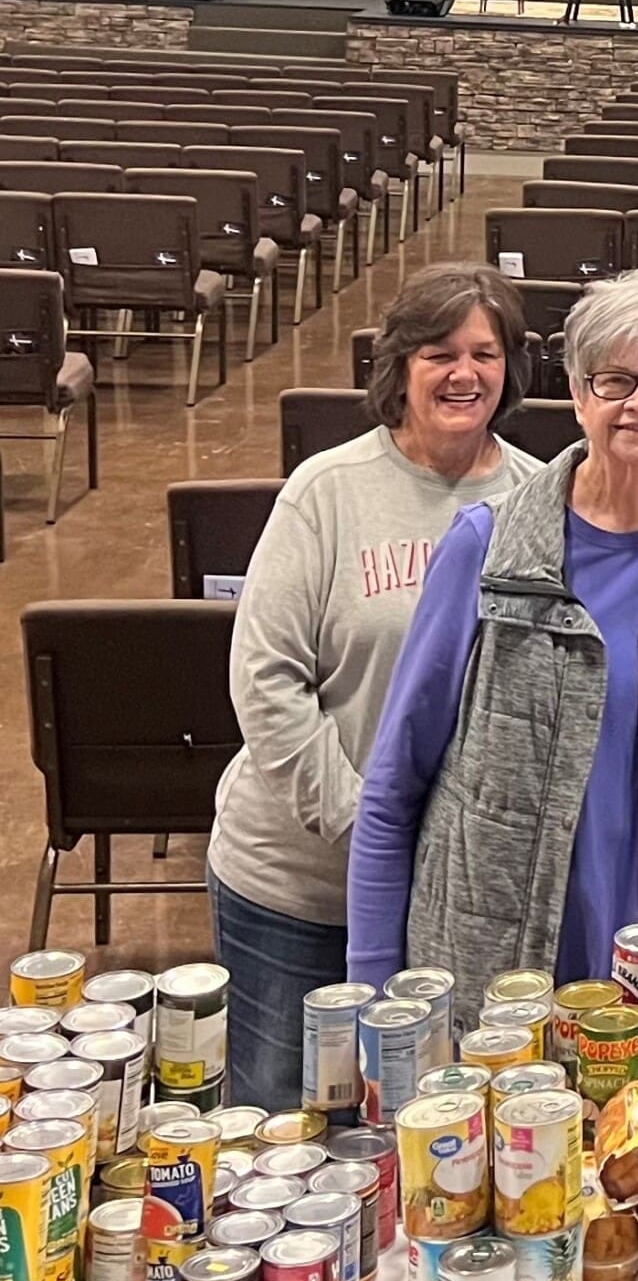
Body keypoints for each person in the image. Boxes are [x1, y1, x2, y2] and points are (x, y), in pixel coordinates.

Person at [346, 269, 638, 1000]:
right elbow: (394, 782)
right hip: (491, 959)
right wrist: (376, 985)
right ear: (577, 393)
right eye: (615, 379)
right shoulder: (485, 546)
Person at [210, 264, 542, 1108]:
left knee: (431, 1136)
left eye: (484, 352)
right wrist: (374, 833)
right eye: (439, 353)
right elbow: (266, 677)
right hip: (301, 888)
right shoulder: (328, 490)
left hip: (460, 906)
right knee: (289, 1121)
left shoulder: (541, 500)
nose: (464, 373)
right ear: (400, 366)